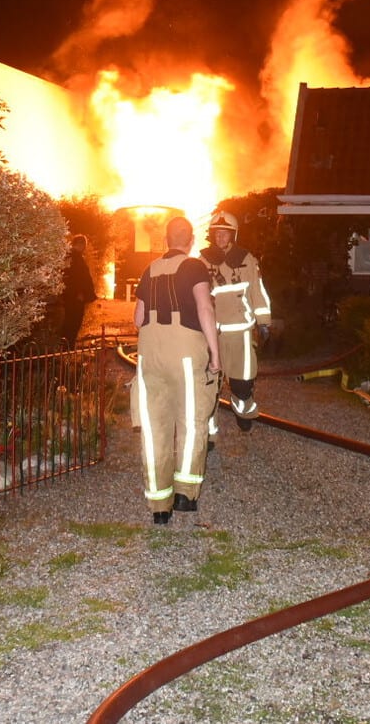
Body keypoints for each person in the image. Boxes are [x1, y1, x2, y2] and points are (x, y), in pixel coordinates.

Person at [132, 216, 221, 525]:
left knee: (154, 428)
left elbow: (138, 318)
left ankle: (159, 505)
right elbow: (205, 308)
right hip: (185, 353)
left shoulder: (149, 269)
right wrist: (215, 355)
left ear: (166, 239)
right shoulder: (195, 267)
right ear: (190, 239)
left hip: (150, 355)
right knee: (192, 422)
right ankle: (185, 494)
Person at [199, 210, 272, 431]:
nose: (221, 237)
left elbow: (258, 292)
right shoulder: (201, 261)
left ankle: (244, 413)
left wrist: (264, 320)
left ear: (233, 235)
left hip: (241, 332)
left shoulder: (246, 259)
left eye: (225, 233)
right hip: (214, 334)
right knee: (210, 384)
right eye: (217, 233)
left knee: (243, 381)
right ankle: (209, 433)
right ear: (212, 235)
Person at [55, 234, 98, 351]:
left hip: (72, 296)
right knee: (73, 323)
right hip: (75, 297)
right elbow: (77, 277)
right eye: (84, 245)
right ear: (80, 244)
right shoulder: (75, 257)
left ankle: (66, 347)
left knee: (71, 322)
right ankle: (67, 348)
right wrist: (79, 293)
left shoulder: (71, 256)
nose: (85, 248)